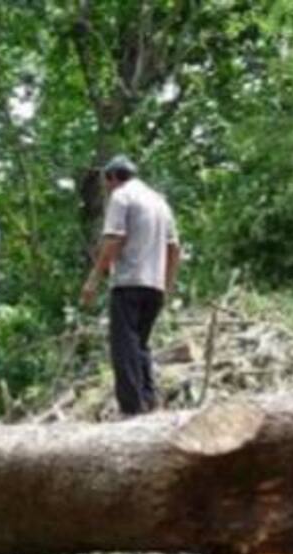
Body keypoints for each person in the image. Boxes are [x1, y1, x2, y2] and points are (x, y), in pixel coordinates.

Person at [79, 155, 180, 417]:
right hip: (154, 285)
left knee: (123, 348)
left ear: (112, 178)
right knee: (141, 346)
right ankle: (149, 402)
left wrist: (93, 280)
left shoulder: (122, 196)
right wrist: (166, 286)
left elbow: (114, 240)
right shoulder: (159, 201)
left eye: (106, 183)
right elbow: (173, 248)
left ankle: (133, 410)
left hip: (129, 282)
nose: (107, 188)